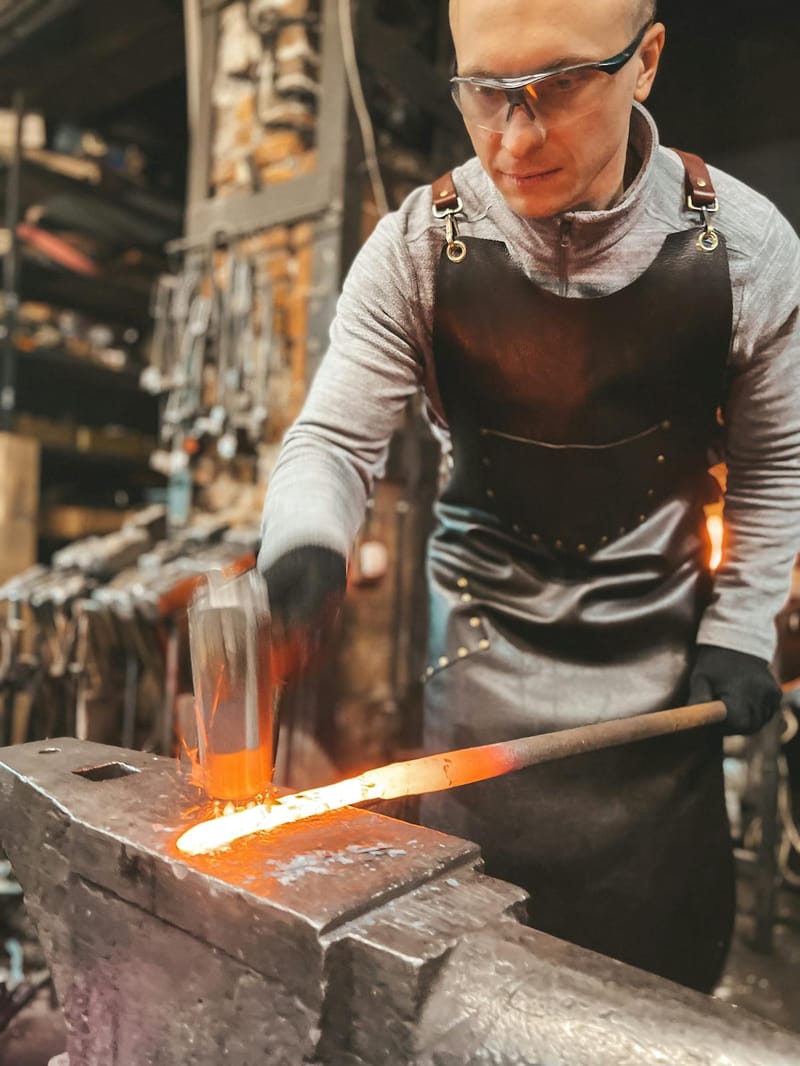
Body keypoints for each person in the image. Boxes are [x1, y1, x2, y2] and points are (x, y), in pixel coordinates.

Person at [258, 0, 800, 991]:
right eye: (481, 93)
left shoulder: (748, 250)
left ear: (643, 62)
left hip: (654, 730)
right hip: (473, 732)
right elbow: (333, 440)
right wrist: (304, 545)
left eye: (552, 89)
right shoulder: (418, 246)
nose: (512, 137)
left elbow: (773, 467)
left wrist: (743, 628)